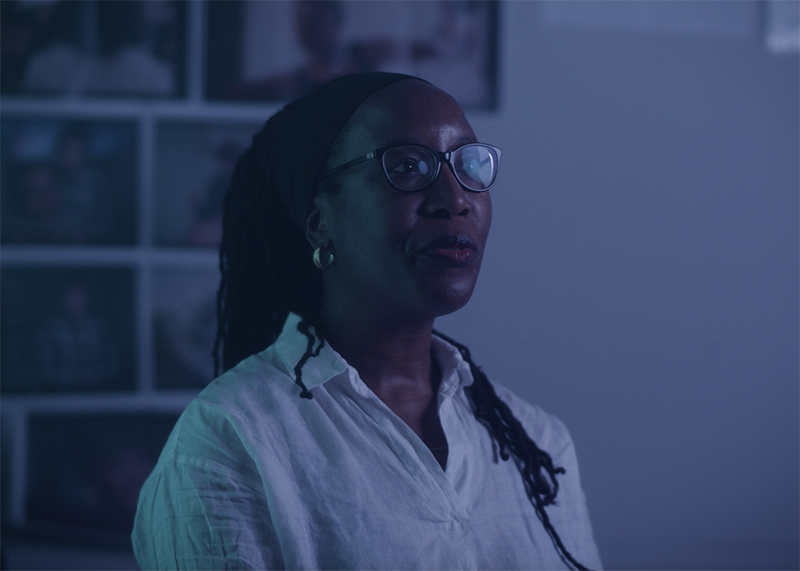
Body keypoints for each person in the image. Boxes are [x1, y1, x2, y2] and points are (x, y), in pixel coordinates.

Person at [133, 72, 603, 570]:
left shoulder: (538, 442)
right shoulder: (229, 443)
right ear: (320, 222)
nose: (456, 198)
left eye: (469, 164)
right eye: (406, 166)